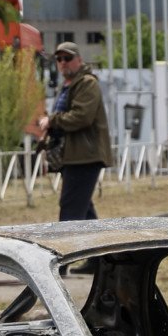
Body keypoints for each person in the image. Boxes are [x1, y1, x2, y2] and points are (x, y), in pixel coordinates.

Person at [37, 41, 114, 221]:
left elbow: (82, 117)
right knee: (84, 213)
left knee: (71, 213)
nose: (63, 62)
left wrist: (52, 120)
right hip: (73, 156)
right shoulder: (68, 86)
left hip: (85, 157)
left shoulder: (87, 83)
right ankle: (106, 248)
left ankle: (67, 247)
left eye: (68, 58)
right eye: (59, 59)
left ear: (79, 60)